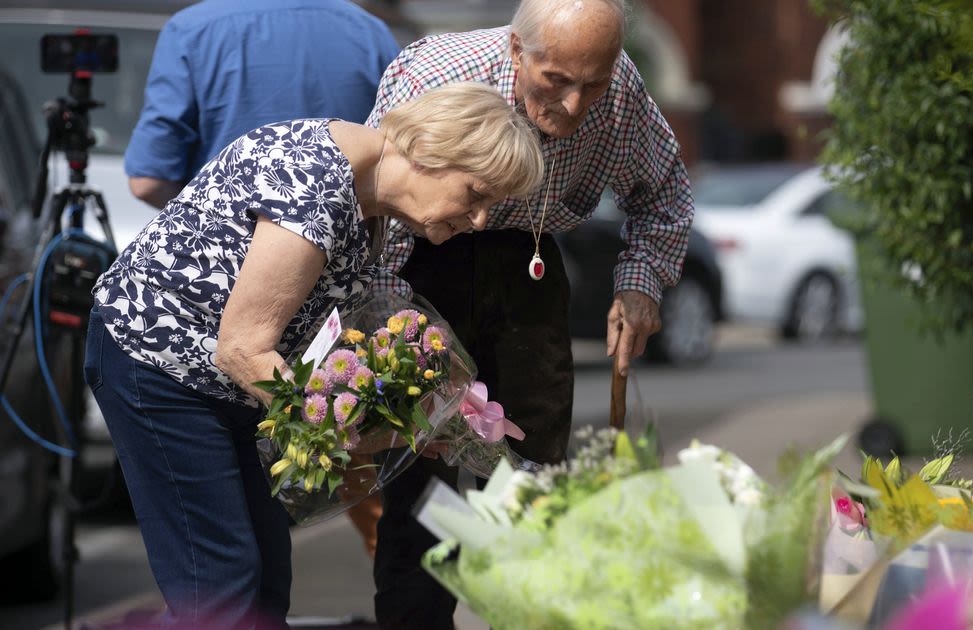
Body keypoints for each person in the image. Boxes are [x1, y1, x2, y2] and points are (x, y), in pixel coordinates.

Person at [84, 83, 543, 629]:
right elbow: (244, 348)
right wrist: (357, 433)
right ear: (431, 152)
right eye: (476, 194)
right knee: (221, 587)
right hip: (160, 366)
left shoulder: (369, 196)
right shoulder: (319, 184)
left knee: (266, 581)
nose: (481, 219)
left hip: (220, 381)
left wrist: (425, 409)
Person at [365, 0, 694, 627]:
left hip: (529, 265)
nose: (573, 105)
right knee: (420, 485)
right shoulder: (438, 76)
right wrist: (391, 341)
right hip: (419, 262)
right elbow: (378, 216)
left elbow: (666, 196)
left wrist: (641, 284)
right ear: (518, 52)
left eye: (591, 83)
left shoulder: (619, 86)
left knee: (530, 479)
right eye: (556, 81)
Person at [124, 0, 400, 209]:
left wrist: (217, 224)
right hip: (340, 262)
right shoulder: (372, 33)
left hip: (223, 262)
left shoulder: (192, 28)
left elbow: (148, 182)